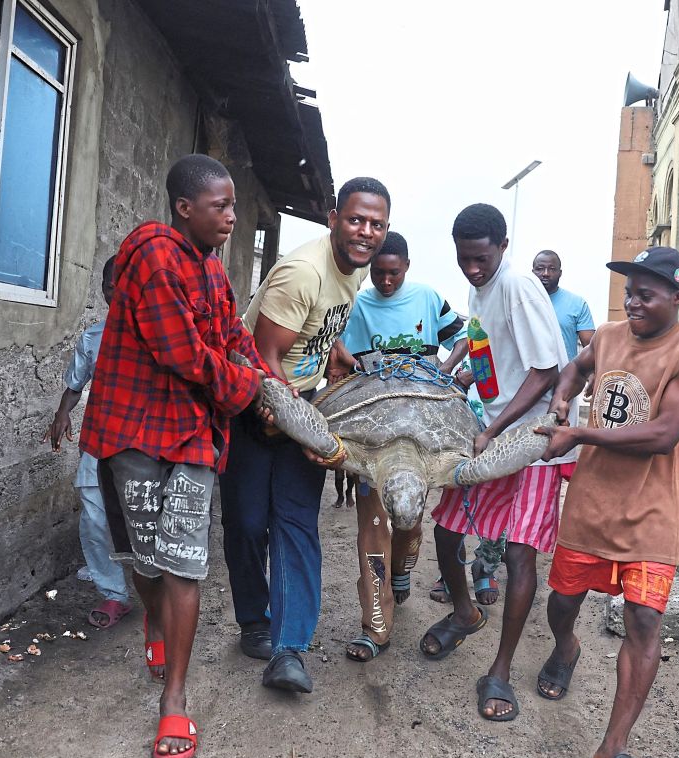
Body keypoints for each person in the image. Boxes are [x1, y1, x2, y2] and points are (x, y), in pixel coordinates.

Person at [79, 154, 274, 758]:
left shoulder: (211, 271)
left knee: (184, 565)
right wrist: (248, 393)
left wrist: (269, 383)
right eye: (222, 207)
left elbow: (233, 339)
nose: (233, 218)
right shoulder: (154, 255)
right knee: (144, 561)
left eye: (235, 207)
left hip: (191, 434)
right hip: (133, 432)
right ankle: (155, 623)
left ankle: (175, 702)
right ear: (185, 207)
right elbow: (185, 354)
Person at [534, 246, 679, 758]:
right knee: (564, 601)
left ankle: (612, 747)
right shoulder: (609, 336)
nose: (633, 302)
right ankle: (566, 648)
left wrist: (580, 435)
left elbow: (663, 435)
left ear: (678, 297)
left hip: (656, 510)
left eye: (647, 294)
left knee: (643, 620)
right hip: (592, 502)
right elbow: (575, 367)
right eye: (629, 291)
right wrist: (563, 400)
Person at [221, 177, 391, 693]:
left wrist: (335, 353)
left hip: (299, 403)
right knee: (248, 525)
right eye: (357, 219)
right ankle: (254, 620)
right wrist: (308, 432)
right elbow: (263, 356)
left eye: (377, 224)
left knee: (296, 526)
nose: (366, 232)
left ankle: (290, 649)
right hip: (253, 406)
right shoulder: (303, 271)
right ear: (334, 218)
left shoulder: (352, 273)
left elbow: (322, 326)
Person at [418, 204, 568, 725]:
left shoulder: (520, 287)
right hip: (491, 430)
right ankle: (464, 611)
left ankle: (500, 669)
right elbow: (481, 345)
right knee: (445, 530)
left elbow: (546, 372)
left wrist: (494, 429)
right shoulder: (481, 289)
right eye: (464, 260)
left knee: (519, 557)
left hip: (529, 439)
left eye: (481, 259)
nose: (472, 269)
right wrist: (451, 379)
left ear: (503, 247)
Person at [336, 231, 468, 661]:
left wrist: (446, 370)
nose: (386, 281)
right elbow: (331, 345)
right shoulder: (356, 303)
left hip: (423, 432)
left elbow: (466, 335)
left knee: (409, 519)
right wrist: (352, 365)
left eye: (393, 273)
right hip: (371, 434)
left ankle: (402, 567)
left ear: (407, 267)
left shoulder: (428, 298)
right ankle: (376, 626)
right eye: (378, 272)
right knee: (373, 527)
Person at [458, 250, 600, 605]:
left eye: (552, 268)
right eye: (540, 267)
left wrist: (583, 384)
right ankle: (484, 566)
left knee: (525, 534)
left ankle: (499, 568)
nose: (545, 273)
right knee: (488, 510)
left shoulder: (570, 303)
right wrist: (464, 375)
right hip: (503, 414)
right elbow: (491, 352)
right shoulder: (489, 292)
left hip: (546, 417)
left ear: (560, 271)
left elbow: (583, 354)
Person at [43, 256, 137, 630]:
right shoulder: (93, 338)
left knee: (144, 519)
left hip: (143, 445)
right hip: (100, 440)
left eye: (122, 283)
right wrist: (62, 414)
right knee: (95, 517)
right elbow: (75, 384)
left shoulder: (156, 338)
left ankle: (160, 586)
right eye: (108, 285)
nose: (115, 290)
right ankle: (114, 594)